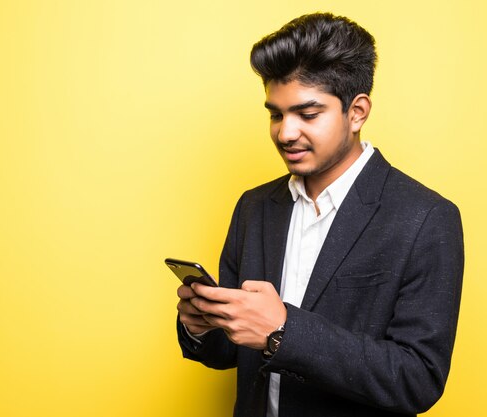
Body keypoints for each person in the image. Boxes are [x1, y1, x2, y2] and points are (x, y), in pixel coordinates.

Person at [175, 12, 464, 417]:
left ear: (357, 112)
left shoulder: (426, 218)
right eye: (275, 114)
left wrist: (283, 331)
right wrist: (202, 326)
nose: (285, 133)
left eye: (307, 115)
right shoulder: (254, 207)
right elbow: (232, 351)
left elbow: (418, 378)